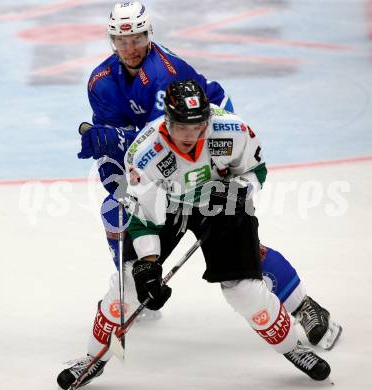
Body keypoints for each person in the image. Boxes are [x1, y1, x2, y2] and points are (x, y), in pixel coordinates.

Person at [56, 3, 340, 389]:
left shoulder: (172, 81)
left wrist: (240, 187)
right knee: (125, 264)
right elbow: (137, 148)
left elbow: (228, 151)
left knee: (244, 263)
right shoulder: (109, 90)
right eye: (122, 40)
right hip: (162, 181)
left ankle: (302, 306)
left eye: (137, 37)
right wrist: (145, 255)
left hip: (211, 173)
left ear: (148, 34)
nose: (131, 46)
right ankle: (110, 333)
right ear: (112, 41)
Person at [123, 80, 332, 382]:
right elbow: (142, 213)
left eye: (197, 125)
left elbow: (257, 170)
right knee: (128, 277)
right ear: (167, 120)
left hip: (221, 201)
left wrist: (238, 190)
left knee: (245, 287)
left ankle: (294, 334)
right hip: (168, 204)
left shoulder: (231, 131)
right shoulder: (146, 152)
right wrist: (148, 263)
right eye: (182, 125)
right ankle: (95, 355)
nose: (191, 135)